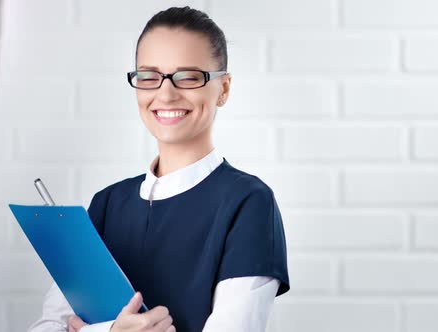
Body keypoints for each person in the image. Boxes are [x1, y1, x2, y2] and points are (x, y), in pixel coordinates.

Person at [26, 6, 290, 332]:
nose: (166, 94)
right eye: (149, 77)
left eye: (189, 76)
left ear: (223, 89)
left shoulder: (248, 203)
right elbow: (46, 326)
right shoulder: (107, 204)